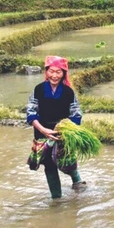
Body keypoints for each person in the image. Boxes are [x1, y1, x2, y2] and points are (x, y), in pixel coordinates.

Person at [26, 56, 87, 199]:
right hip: (42, 132)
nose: (54, 75)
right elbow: (31, 113)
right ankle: (56, 199)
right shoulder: (39, 90)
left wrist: (65, 129)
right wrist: (43, 130)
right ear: (46, 72)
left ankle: (77, 180)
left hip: (64, 134)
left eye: (58, 72)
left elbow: (76, 114)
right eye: (51, 71)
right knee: (49, 165)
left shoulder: (68, 92)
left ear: (64, 73)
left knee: (67, 160)